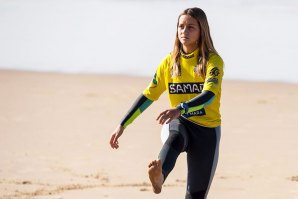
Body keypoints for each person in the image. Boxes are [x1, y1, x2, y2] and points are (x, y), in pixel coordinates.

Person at [109, 7, 224, 199]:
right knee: (175, 135)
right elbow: (148, 96)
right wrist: (123, 124)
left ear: (201, 31)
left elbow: (209, 95)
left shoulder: (213, 62)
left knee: (195, 196)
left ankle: (161, 176)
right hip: (181, 123)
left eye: (190, 27)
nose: (184, 31)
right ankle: (159, 177)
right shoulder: (169, 63)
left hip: (207, 132)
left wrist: (180, 108)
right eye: (181, 26)